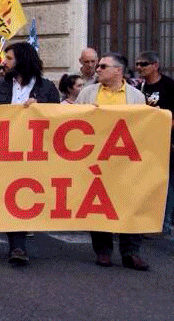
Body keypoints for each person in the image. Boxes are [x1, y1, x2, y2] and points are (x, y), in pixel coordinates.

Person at [0, 41, 59, 266]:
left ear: (23, 60)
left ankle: (18, 245)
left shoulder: (47, 89)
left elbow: (59, 121)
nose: (4, 62)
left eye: (10, 58)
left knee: (21, 196)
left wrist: (40, 105)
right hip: (0, 151)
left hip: (32, 153)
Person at [76, 53, 149, 271]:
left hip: (125, 160)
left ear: (118, 71)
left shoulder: (136, 96)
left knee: (130, 204)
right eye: (97, 66)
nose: (97, 69)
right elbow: (73, 122)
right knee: (98, 204)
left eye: (103, 66)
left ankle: (131, 252)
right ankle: (103, 251)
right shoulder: (88, 93)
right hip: (95, 159)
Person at [134, 51, 174, 235]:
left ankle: (164, 224)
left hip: (165, 142)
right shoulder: (139, 87)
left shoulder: (169, 86)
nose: (139, 68)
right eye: (138, 64)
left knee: (166, 182)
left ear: (155, 65)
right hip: (144, 142)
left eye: (144, 64)